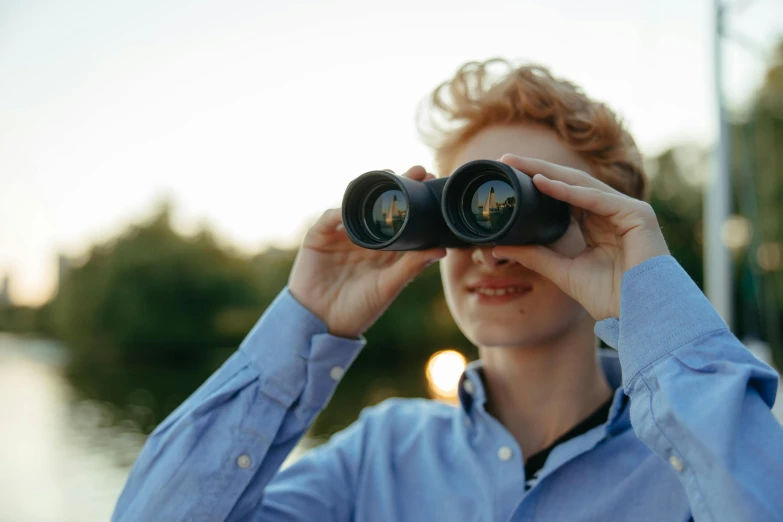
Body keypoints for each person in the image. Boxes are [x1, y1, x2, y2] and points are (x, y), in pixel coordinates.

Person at [112, 59, 783, 521]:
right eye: (466, 207)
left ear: (608, 224)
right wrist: (305, 319)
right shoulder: (378, 454)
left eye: (524, 208)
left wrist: (645, 301)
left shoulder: (694, 449)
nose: (491, 246)